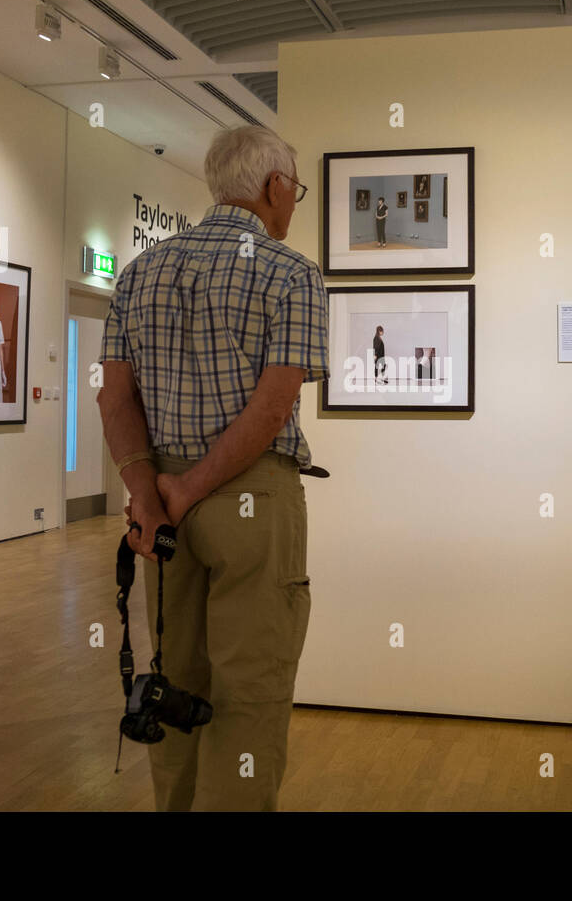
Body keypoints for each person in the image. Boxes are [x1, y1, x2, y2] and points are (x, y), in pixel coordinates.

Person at [98, 125, 329, 812]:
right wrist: (192, 487)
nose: (294, 205)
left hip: (162, 509)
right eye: (297, 191)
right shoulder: (291, 272)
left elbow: (115, 396)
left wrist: (148, 493)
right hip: (248, 495)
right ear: (275, 187)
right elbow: (271, 406)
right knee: (250, 690)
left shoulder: (139, 273)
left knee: (176, 680)